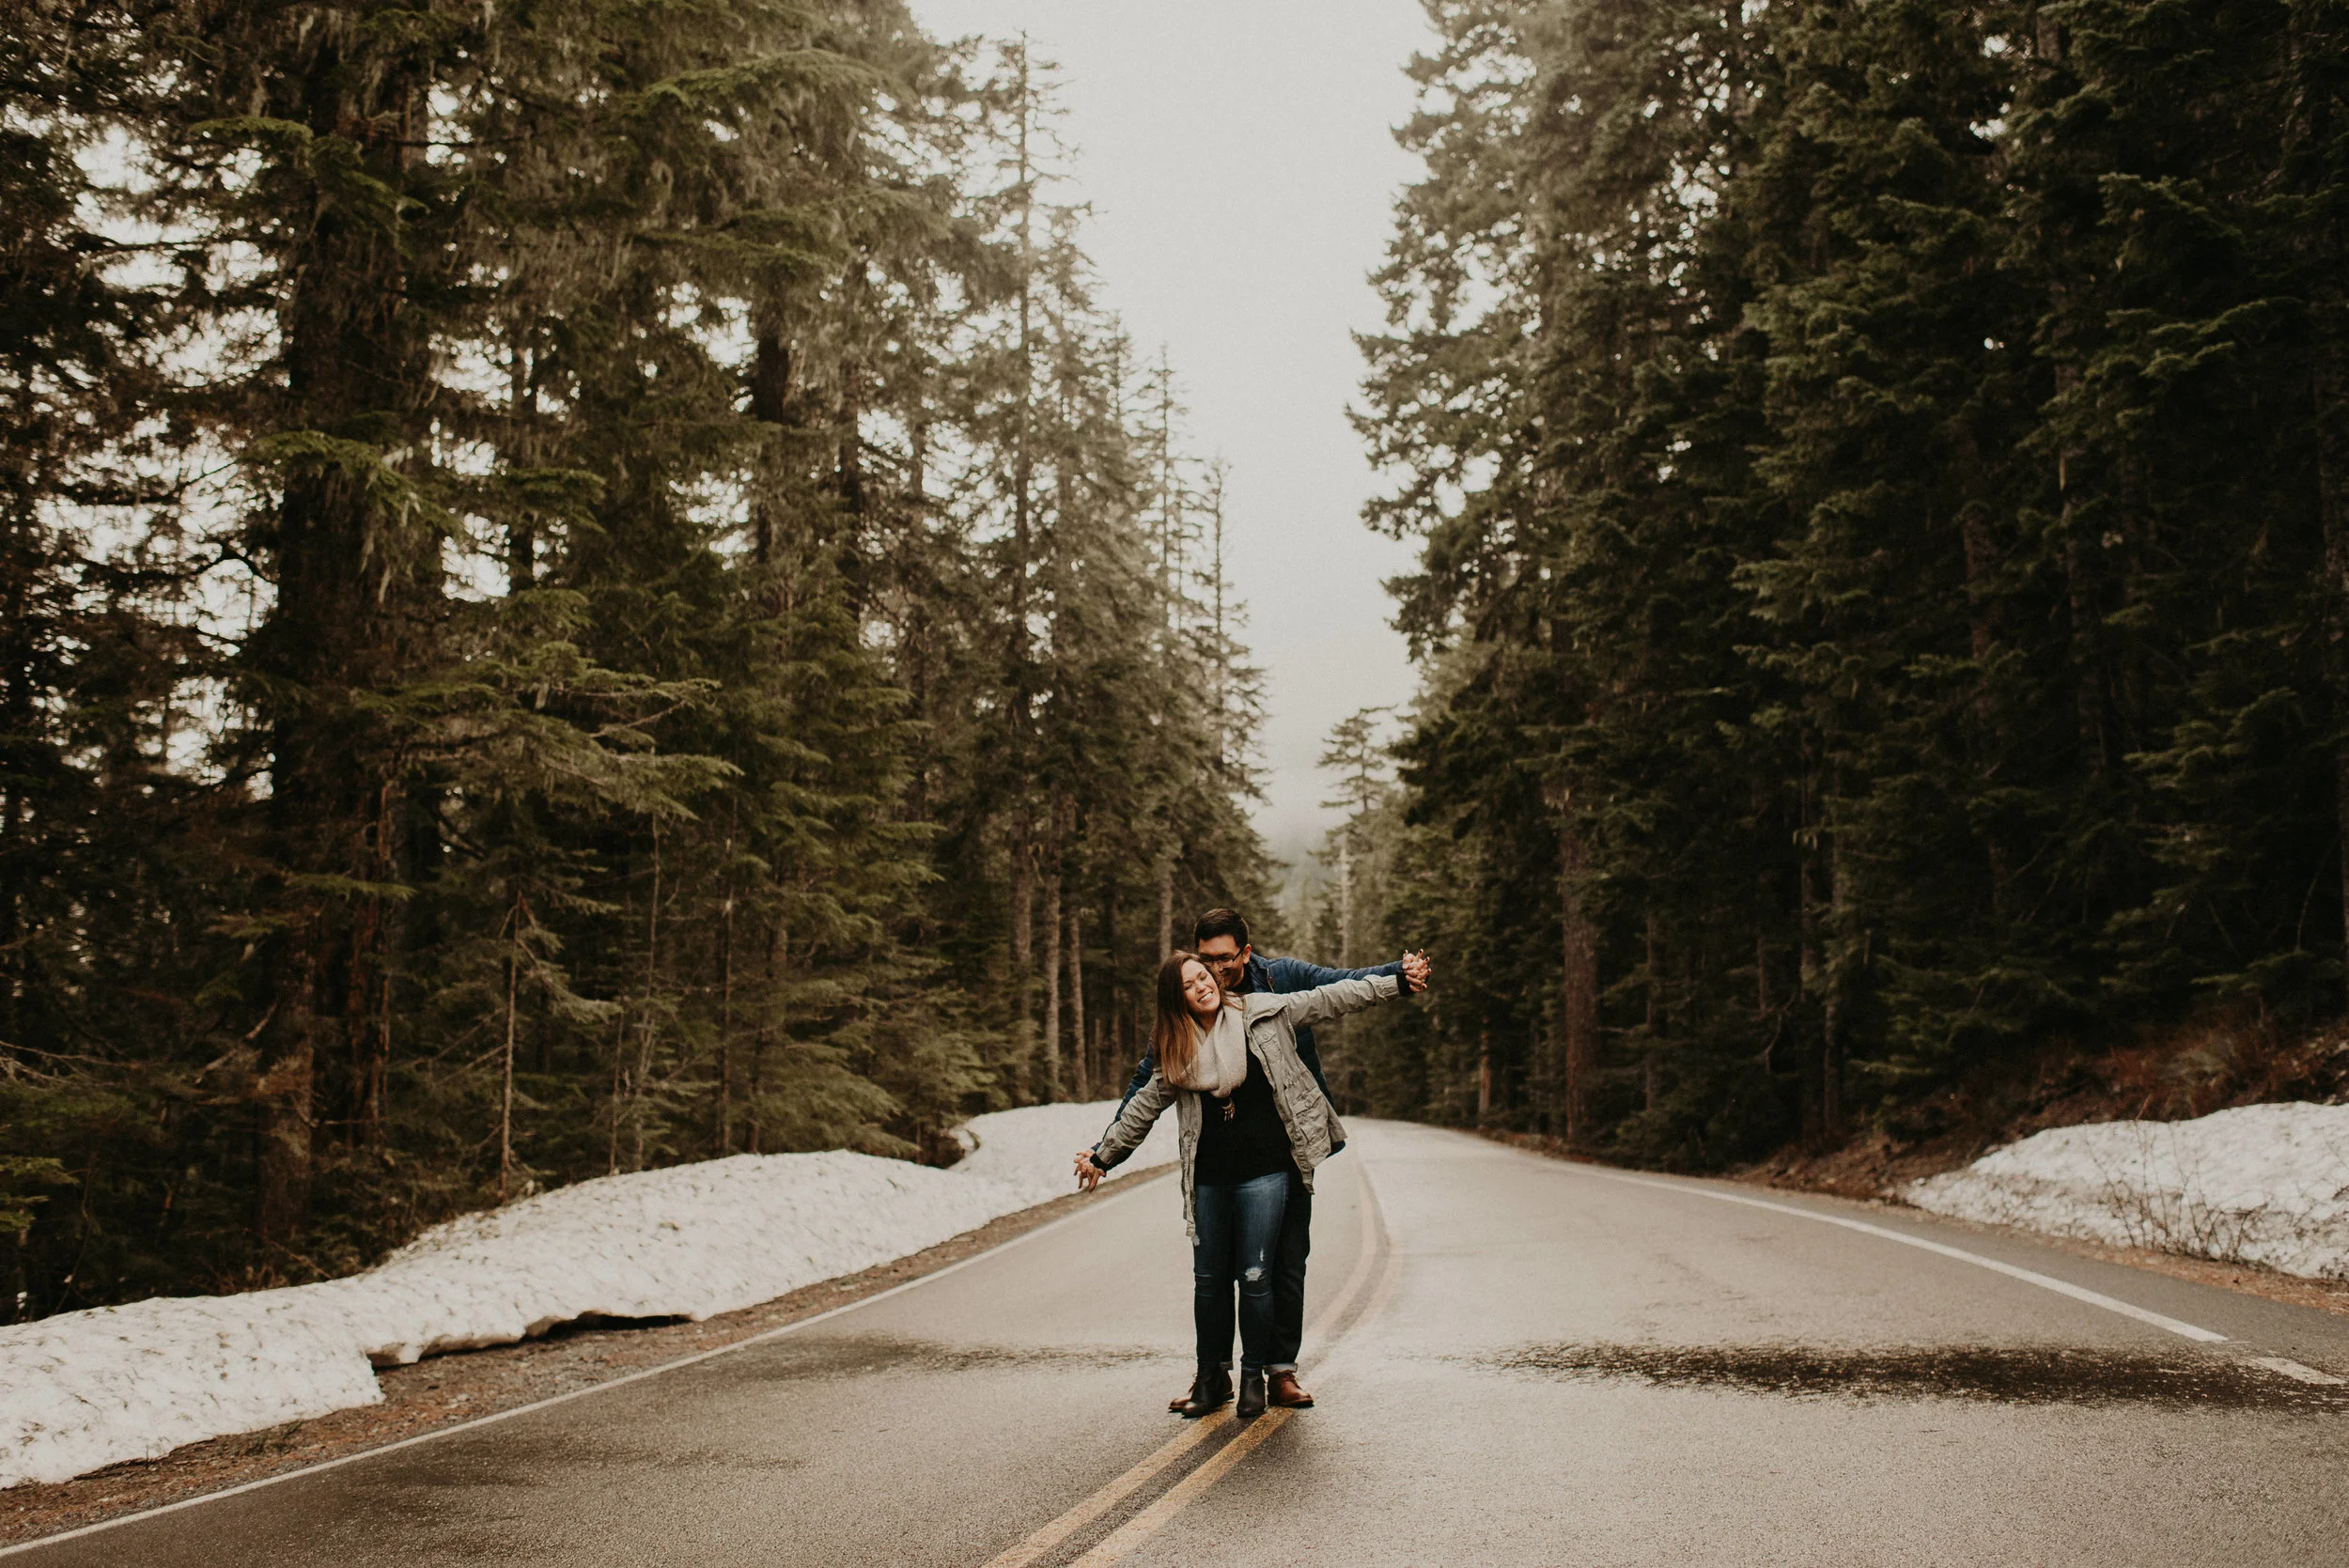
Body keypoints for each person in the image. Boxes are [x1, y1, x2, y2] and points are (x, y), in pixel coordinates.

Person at [1077, 908, 1431, 1411]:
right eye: (1200, 968)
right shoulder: (1176, 1044)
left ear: (1244, 954)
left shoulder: (1267, 1001)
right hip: (1212, 1174)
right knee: (1210, 1278)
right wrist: (1102, 1152)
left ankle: (1270, 1373)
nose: (1210, 976)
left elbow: (1335, 991)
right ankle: (1212, 1376)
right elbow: (1145, 1096)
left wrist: (1395, 979)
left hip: (1275, 1161)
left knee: (1271, 1271)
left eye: (1216, 966)